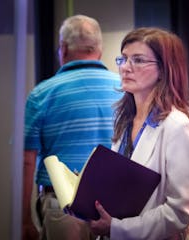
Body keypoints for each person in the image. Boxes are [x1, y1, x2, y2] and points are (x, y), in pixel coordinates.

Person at [88, 27, 189, 239]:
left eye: (138, 60)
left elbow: (179, 213)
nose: (125, 68)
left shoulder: (177, 127)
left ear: (164, 69)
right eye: (123, 59)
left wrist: (117, 228)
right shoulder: (125, 121)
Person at [22, 15, 122, 240]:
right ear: (99, 48)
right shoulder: (124, 90)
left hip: (63, 206)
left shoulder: (41, 94)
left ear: (63, 48)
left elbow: (27, 160)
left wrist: (24, 220)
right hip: (115, 207)